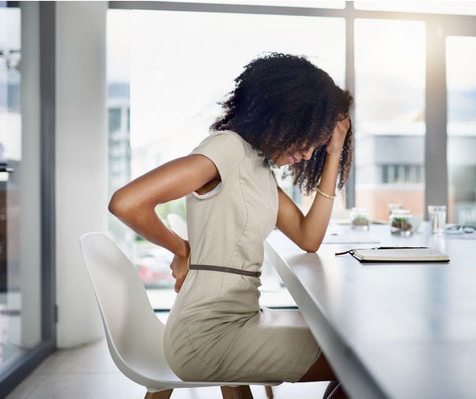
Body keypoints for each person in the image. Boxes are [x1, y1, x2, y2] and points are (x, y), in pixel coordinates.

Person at [108, 52, 353, 399]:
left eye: (319, 142)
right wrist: (182, 249)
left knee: (350, 348)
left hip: (238, 321)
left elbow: (308, 237)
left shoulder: (258, 169)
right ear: (286, 116)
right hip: (208, 336)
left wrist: (334, 153)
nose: (310, 151)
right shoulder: (227, 149)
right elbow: (126, 202)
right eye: (311, 137)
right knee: (357, 361)